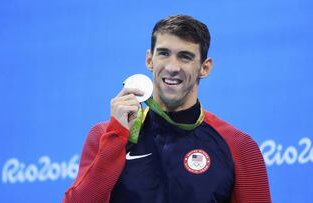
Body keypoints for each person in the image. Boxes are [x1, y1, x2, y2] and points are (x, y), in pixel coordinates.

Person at [63, 14, 271, 203]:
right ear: (149, 60)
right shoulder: (105, 135)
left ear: (205, 68)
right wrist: (116, 135)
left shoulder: (238, 146)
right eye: (163, 53)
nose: (172, 67)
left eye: (185, 57)